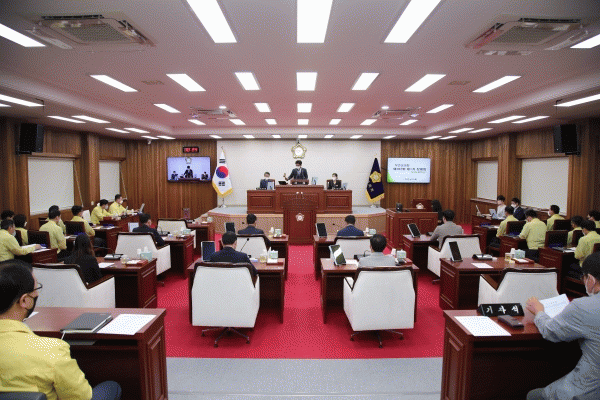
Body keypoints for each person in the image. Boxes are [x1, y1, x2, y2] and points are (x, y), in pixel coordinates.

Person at [0, 260, 122, 399]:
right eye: (36, 289)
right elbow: (81, 397)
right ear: (24, 301)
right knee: (111, 387)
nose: (37, 293)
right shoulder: (51, 351)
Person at [525, 252, 600, 400]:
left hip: (589, 391)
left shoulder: (583, 307)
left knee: (533, 396)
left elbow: (549, 331)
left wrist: (539, 312)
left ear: (590, 279)